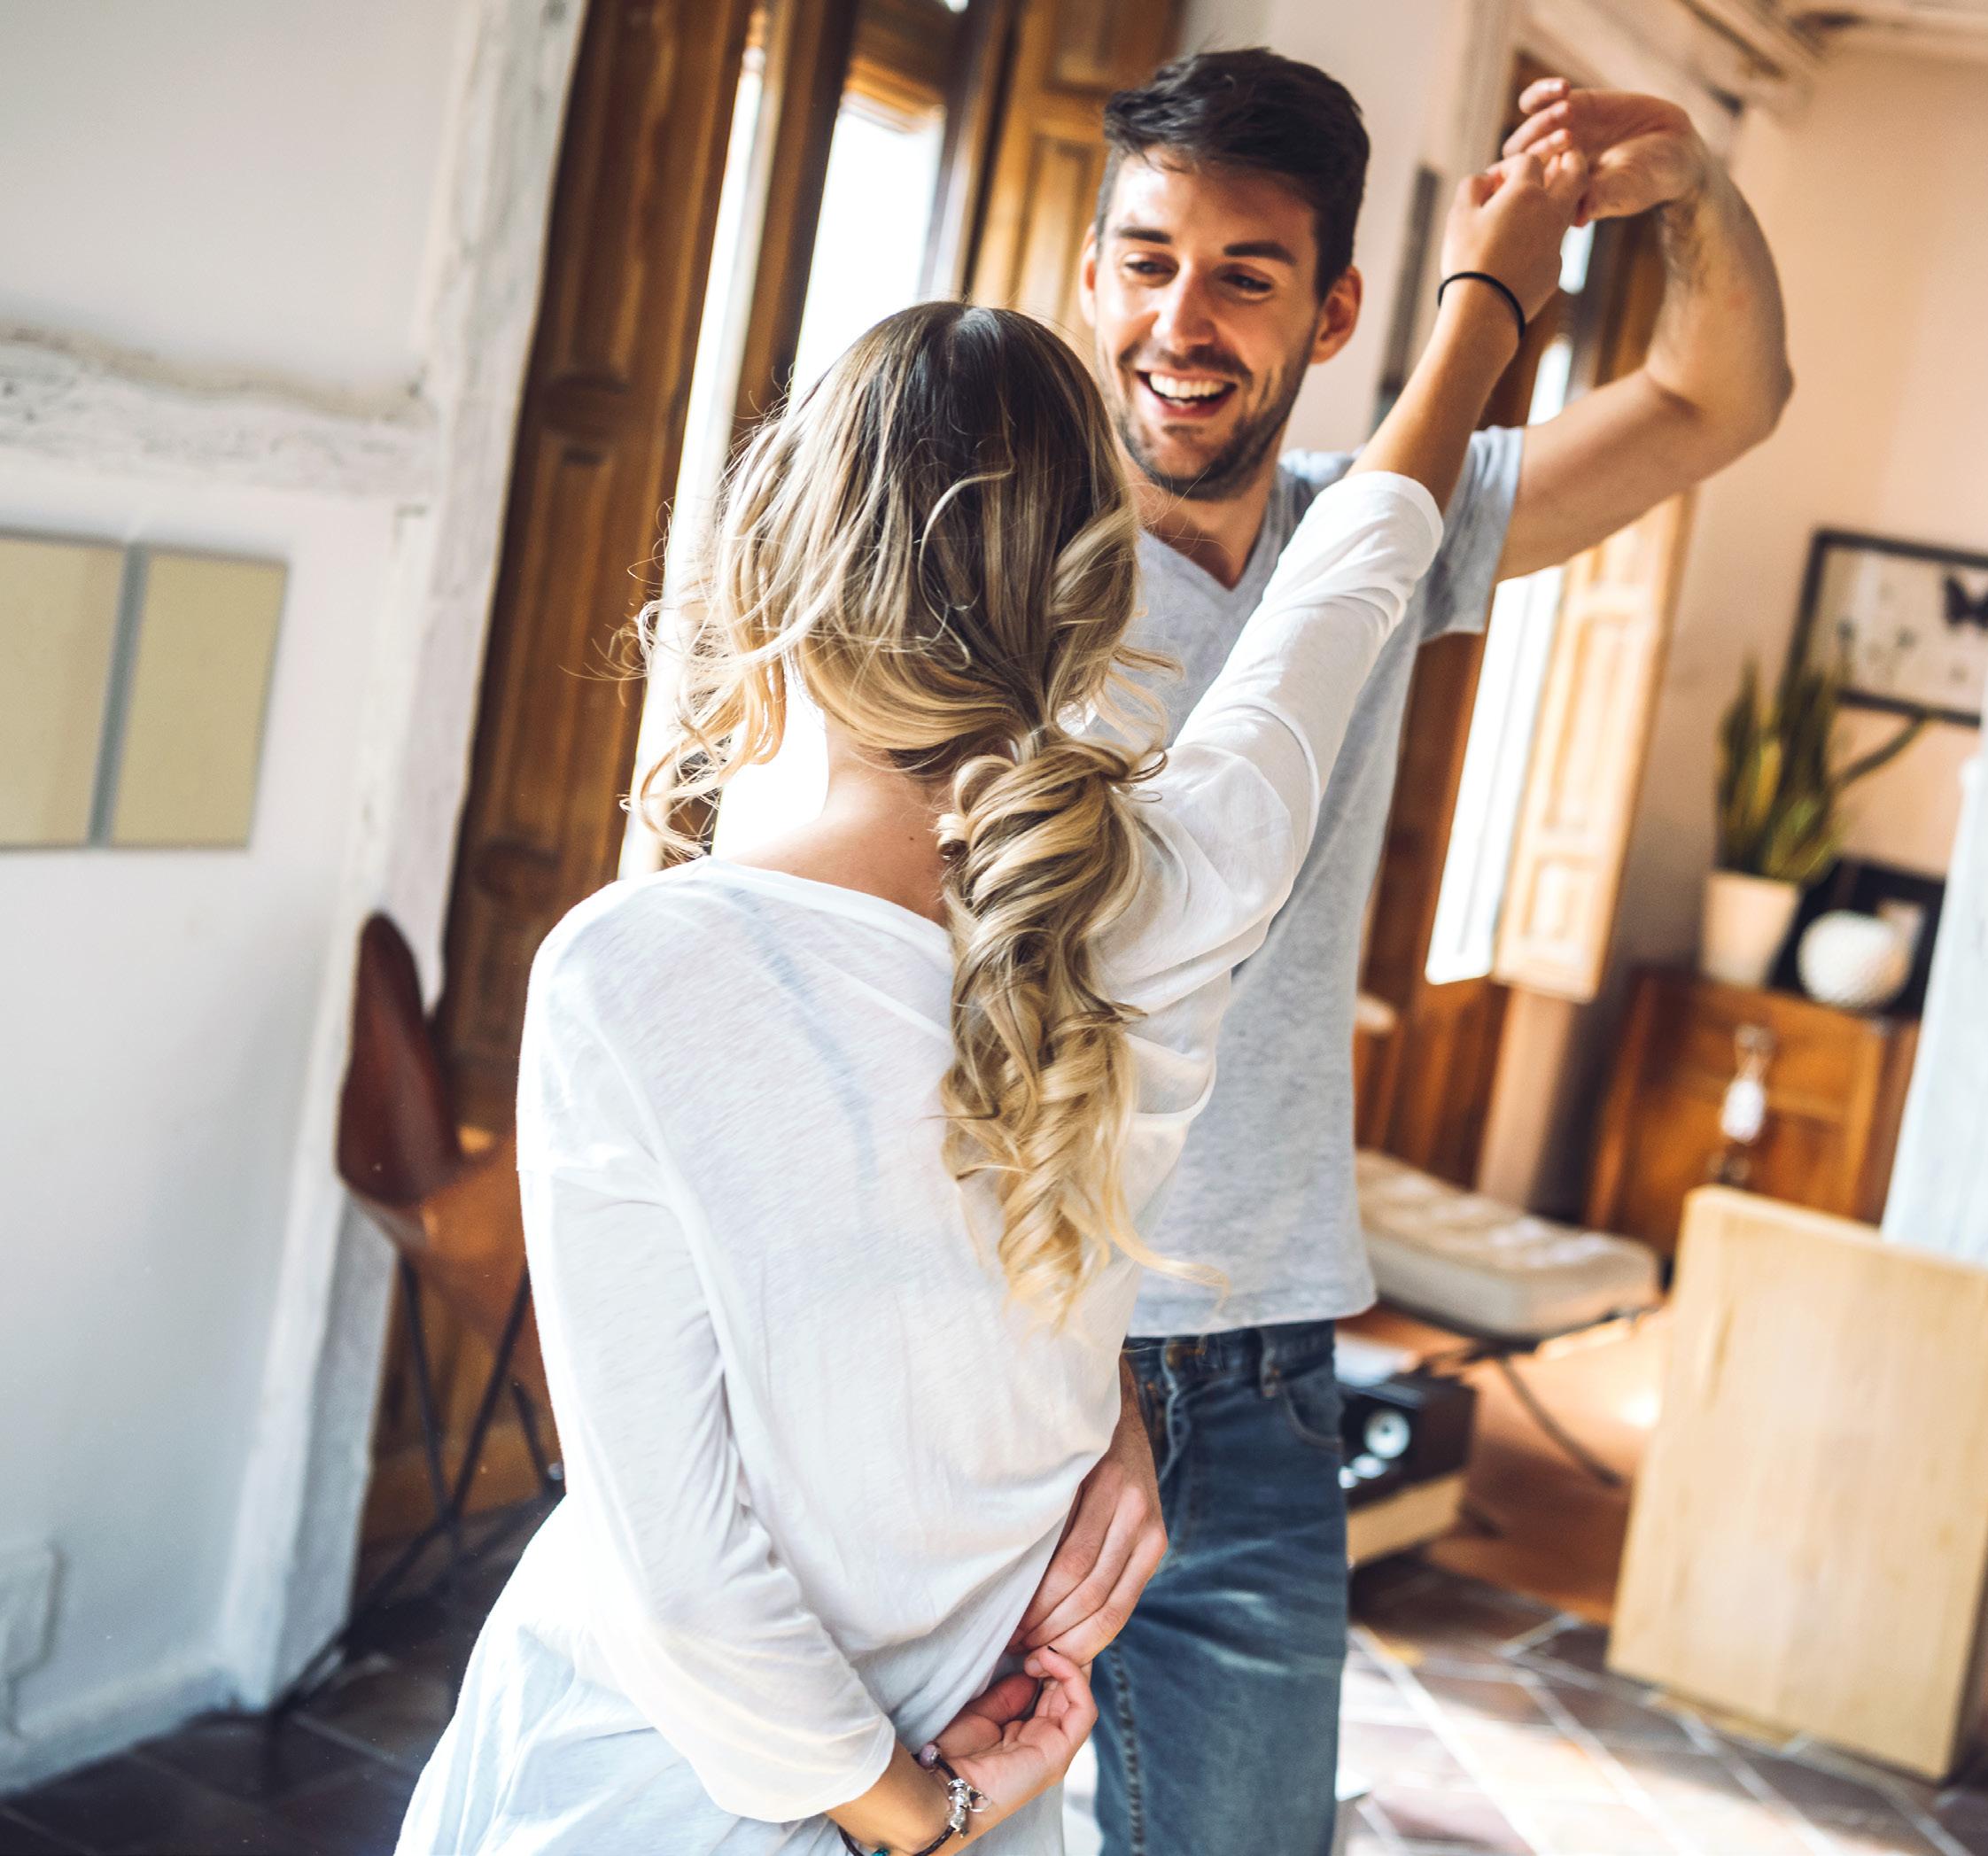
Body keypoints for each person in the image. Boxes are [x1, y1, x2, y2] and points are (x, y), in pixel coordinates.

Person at [393, 141, 1588, 1855]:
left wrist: (914, 1808)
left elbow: (678, 1568)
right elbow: (1351, 576)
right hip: (969, 1779)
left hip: (653, 1794)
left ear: (772, 559)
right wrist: (1486, 302)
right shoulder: (1180, 883)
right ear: (1093, 604)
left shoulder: (632, 970)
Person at [998, 50, 1792, 1856]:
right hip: (1025, 1350)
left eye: (1244, 276)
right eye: (1146, 262)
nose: (1179, 321)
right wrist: (1492, 303)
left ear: (1337, 311)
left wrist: (1688, 189)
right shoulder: (1007, 563)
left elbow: (1717, 398)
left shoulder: (1381, 527)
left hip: (1263, 1375)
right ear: (1093, 274)